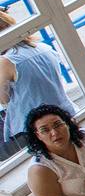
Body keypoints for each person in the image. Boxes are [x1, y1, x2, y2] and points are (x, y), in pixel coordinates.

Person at [0, 9, 74, 154]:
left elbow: (3, 99)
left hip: (38, 129)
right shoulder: (44, 48)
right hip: (65, 114)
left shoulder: (7, 62)